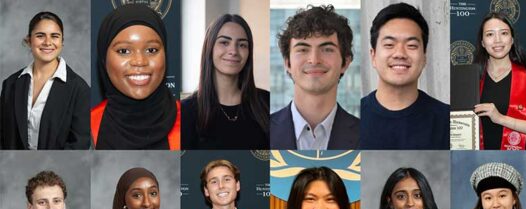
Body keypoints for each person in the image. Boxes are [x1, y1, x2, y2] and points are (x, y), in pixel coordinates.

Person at [359, 3, 450, 150]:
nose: (400, 53)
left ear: (424, 57)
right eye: (389, 44)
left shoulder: (447, 120)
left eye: (412, 45)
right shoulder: (352, 120)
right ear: (373, 56)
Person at [270, 5, 360, 150]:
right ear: (287, 63)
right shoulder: (260, 130)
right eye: (303, 49)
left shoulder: (367, 134)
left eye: (327, 49)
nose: (314, 60)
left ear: (345, 62)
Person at [91, 4, 180, 150]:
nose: (140, 61)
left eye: (152, 50)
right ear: (103, 59)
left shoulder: (192, 123)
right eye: (124, 51)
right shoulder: (85, 127)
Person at [0, 11, 90, 149]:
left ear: (62, 42)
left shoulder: (80, 90)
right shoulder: (10, 84)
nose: (48, 42)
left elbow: (79, 144)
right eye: (40, 36)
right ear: (29, 40)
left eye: (54, 36)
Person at [181, 14, 269, 149]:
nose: (233, 51)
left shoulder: (266, 102)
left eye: (242, 44)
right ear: (209, 48)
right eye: (224, 42)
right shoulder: (184, 112)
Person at [472, 12, 526, 150]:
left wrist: (501, 119)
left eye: (504, 33)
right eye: (490, 34)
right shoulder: (471, 79)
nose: (497, 40)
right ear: (483, 43)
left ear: (512, 39)